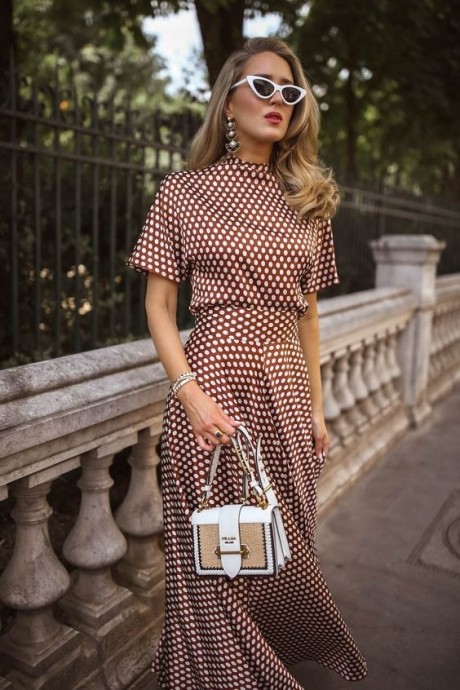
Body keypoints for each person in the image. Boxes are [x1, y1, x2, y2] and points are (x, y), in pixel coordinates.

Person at [128, 36, 367, 690]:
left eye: (290, 92)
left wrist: (316, 407)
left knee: (280, 550)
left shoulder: (309, 202)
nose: (277, 100)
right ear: (228, 102)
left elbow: (308, 317)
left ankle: (267, 660)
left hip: (286, 393)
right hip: (210, 389)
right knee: (214, 558)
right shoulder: (182, 192)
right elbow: (158, 305)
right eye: (262, 86)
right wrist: (190, 394)